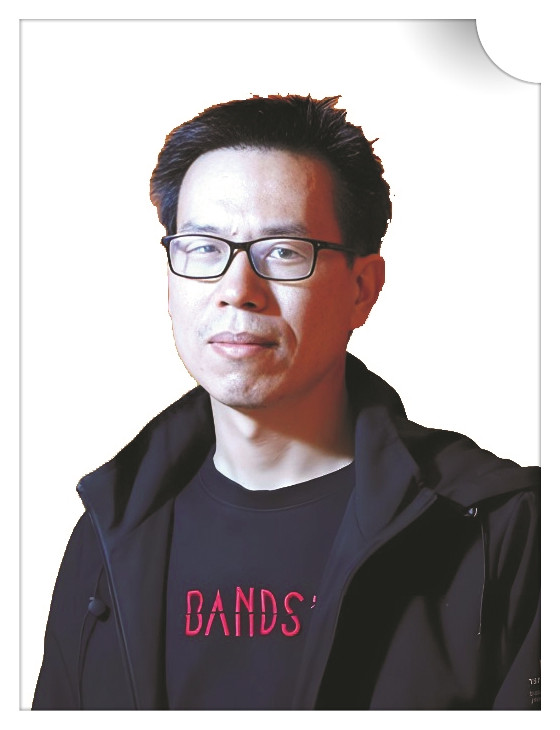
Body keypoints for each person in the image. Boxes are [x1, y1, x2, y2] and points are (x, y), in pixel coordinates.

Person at [32, 94, 540, 711]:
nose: (237, 290)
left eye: (283, 252)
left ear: (362, 288)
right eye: (202, 247)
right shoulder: (111, 529)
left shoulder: (499, 527)